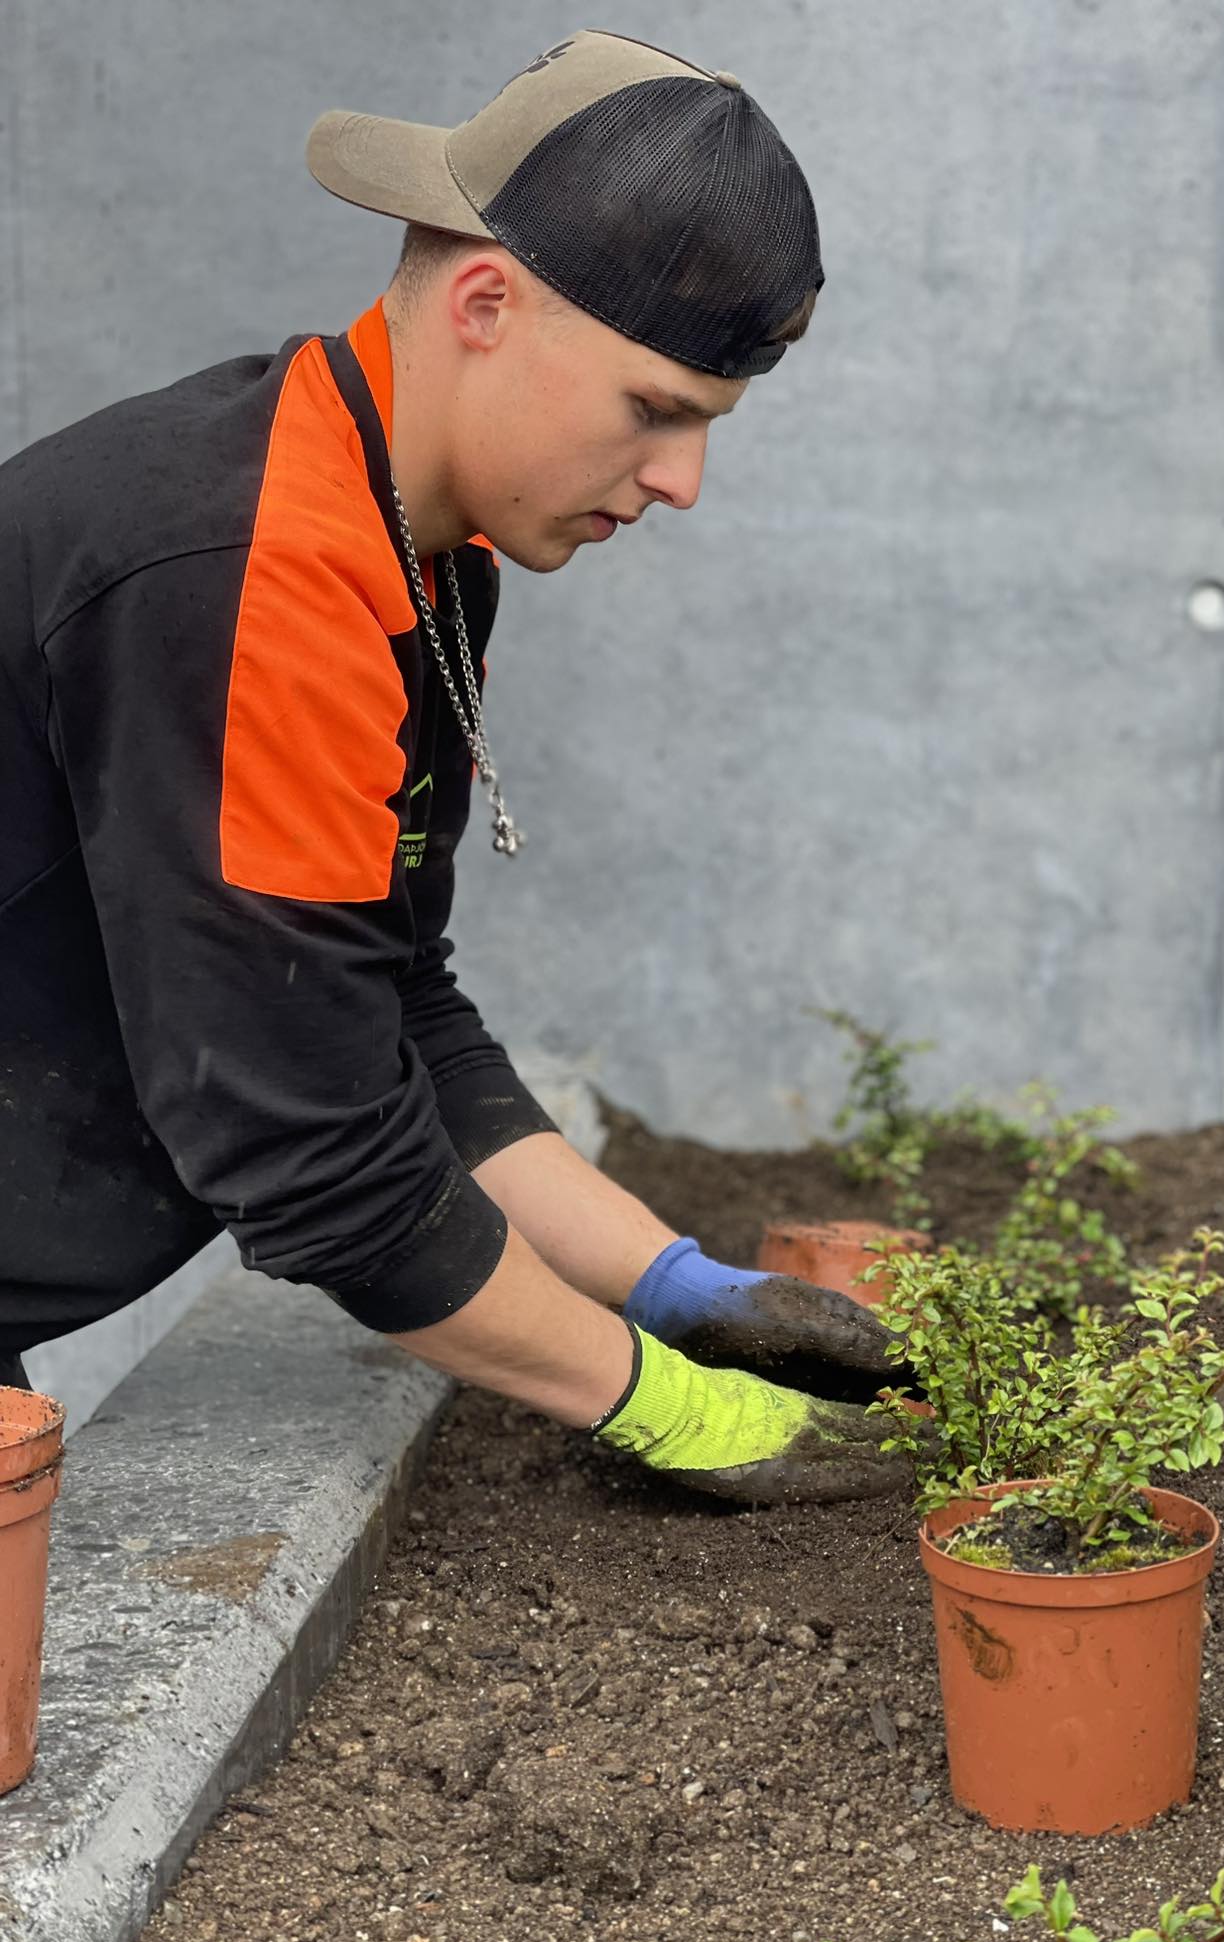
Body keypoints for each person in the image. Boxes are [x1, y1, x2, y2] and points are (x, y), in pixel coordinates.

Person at [0, 30, 908, 1504]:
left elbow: (385, 1011)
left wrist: (676, 1284)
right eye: (656, 409)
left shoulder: (410, 553)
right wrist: (672, 1409)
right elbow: (320, 1170)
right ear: (487, 301)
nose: (683, 481)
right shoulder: (249, 581)